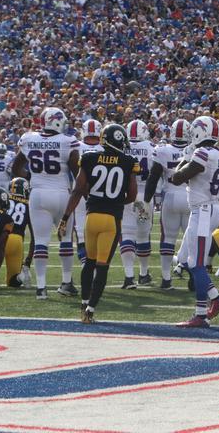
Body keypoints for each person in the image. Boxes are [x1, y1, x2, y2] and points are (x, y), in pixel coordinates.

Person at [58, 124, 138, 324]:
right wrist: (116, 202)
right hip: (111, 220)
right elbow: (132, 195)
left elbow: (78, 190)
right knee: (102, 267)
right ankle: (90, 310)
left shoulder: (89, 158)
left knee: (89, 263)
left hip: (91, 218)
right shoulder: (128, 162)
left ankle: (84, 303)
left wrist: (65, 217)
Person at [12, 107, 80, 300]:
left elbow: (16, 167)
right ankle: (66, 283)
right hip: (62, 194)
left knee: (41, 241)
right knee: (66, 240)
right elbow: (77, 172)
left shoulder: (29, 139)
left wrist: (33, 178)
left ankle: (41, 288)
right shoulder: (67, 141)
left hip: (38, 195)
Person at [169, 116, 219, 328]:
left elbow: (177, 177)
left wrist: (184, 159)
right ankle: (216, 297)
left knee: (196, 263)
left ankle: (201, 314)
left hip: (202, 211)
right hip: (211, 208)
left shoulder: (202, 153)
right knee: (183, 259)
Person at [145, 119, 191, 289]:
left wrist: (147, 200)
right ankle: (194, 276)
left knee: (168, 238)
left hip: (170, 197)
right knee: (191, 240)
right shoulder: (196, 151)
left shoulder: (162, 150)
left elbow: (153, 177)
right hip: (191, 198)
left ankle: (166, 279)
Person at [120, 119, 155, 288]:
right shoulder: (151, 147)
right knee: (142, 235)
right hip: (144, 196)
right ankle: (143, 273)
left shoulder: (121, 147)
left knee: (127, 234)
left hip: (127, 195)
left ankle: (129, 276)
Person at [0, 177, 34, 288]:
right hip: (17, 241)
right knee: (12, 282)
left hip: (0, 238)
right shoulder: (30, 205)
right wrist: (27, 263)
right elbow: (34, 237)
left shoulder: (3, 199)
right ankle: (21, 277)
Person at [73, 119, 104, 266]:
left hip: (79, 191)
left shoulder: (75, 146)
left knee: (80, 229)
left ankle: (85, 262)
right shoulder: (105, 148)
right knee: (101, 229)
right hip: (101, 193)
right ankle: (98, 261)